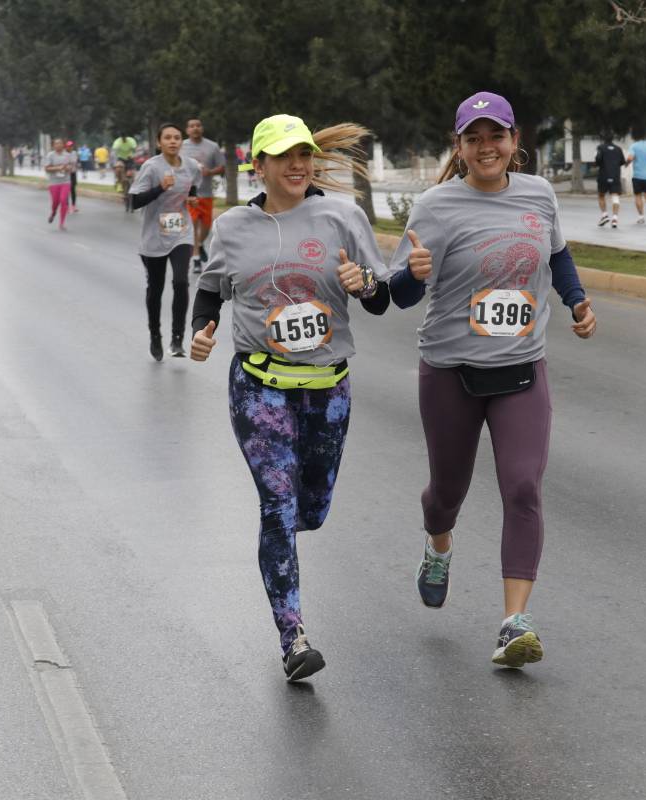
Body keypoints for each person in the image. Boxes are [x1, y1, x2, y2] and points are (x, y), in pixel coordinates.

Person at [388, 91, 596, 670]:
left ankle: (513, 623)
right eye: (474, 139)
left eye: (496, 136)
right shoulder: (434, 205)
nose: (487, 148)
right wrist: (411, 271)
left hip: (522, 369)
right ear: (459, 147)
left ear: (514, 141)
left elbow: (558, 257)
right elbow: (401, 293)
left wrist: (577, 302)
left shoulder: (540, 194)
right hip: (451, 371)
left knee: (523, 485)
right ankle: (437, 544)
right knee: (446, 492)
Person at [189, 113, 391, 682]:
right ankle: (293, 637)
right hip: (258, 385)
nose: (298, 164)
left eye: (303, 153)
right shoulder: (232, 227)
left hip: (327, 388)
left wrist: (365, 285)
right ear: (261, 166)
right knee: (276, 509)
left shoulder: (343, 217)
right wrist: (203, 329)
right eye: (284, 156)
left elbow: (380, 300)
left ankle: (288, 543)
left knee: (312, 509)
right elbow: (210, 285)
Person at [128, 123, 203, 360]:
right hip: (153, 236)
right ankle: (155, 335)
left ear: (182, 142)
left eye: (177, 137)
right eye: (167, 138)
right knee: (156, 289)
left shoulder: (191, 166)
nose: (173, 141)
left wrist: (192, 198)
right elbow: (134, 202)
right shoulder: (151, 167)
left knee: (181, 281)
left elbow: (194, 186)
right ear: (159, 142)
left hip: (181, 231)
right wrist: (160, 188)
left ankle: (178, 339)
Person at [180, 118, 227, 273]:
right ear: (187, 130)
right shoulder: (182, 146)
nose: (195, 128)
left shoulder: (212, 147)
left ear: (202, 128)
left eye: (198, 125)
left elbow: (222, 167)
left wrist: (210, 172)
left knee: (206, 227)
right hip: (188, 193)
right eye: (192, 126)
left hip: (206, 193)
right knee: (193, 224)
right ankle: (196, 260)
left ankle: (199, 245)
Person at [593, 135, 625, 228]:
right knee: (615, 197)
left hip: (603, 175)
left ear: (603, 139)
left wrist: (596, 164)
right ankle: (615, 219)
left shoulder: (600, 148)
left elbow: (597, 159)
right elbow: (622, 161)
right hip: (615, 176)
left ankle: (604, 215)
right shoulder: (618, 149)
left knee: (601, 195)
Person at [44, 138, 74, 231]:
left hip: (65, 181)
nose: (58, 145)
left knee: (63, 200)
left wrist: (67, 168)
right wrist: (58, 168)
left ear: (63, 145)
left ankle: (62, 223)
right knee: (55, 202)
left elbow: (71, 167)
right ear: (53, 146)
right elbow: (47, 168)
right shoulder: (50, 155)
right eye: (56, 144)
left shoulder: (67, 155)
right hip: (54, 182)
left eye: (60, 143)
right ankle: (53, 213)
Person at [65, 140, 80, 213]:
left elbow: (75, 161)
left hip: (73, 173)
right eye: (69, 146)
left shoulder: (74, 153)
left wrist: (73, 164)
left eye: (71, 146)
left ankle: (73, 206)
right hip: (66, 174)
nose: (70, 147)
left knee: (73, 190)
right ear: (66, 147)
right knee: (67, 190)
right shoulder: (64, 154)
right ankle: (67, 206)